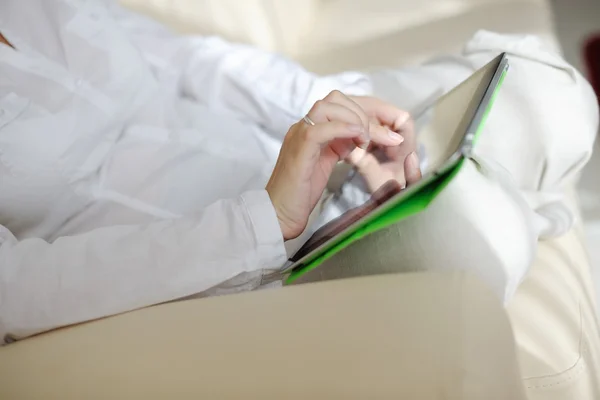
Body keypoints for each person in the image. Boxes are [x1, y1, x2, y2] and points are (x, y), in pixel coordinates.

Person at [0, 0, 597, 344]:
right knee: (488, 233)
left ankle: (456, 189)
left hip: (293, 147)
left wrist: (332, 110)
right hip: (232, 258)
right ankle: (478, 196)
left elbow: (184, 60)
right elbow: (15, 290)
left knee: (552, 97)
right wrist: (264, 221)